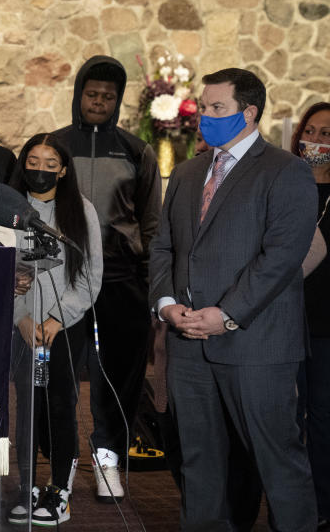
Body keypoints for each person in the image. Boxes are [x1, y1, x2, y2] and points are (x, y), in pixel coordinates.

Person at [150, 68, 318, 530]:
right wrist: (166, 304)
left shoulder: (287, 171)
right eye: (204, 107)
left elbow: (282, 257)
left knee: (277, 461)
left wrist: (226, 315)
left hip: (256, 345)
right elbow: (164, 245)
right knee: (199, 466)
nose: (205, 116)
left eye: (217, 108)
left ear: (249, 112)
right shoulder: (186, 173)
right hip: (188, 343)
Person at [52, 56, 161, 501]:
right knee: (57, 378)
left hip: (120, 282)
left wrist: (154, 286)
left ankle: (108, 460)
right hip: (64, 279)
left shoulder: (136, 151)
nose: (98, 101)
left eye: (108, 96)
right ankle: (60, 465)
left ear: (117, 101)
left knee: (115, 380)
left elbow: (152, 225)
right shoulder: (54, 146)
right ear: (79, 95)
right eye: (91, 93)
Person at [5, 133, 102, 525]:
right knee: (24, 411)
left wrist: (56, 321)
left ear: (63, 170)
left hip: (64, 327)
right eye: (32, 160)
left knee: (61, 405)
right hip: (20, 327)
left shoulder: (81, 209)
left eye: (49, 163)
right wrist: (21, 318)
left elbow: (91, 273)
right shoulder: (5, 207)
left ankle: (60, 491)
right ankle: (27, 486)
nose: (40, 170)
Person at [292, 101, 330, 527]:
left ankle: (321, 508)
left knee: (322, 418)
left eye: (326, 135)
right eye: (312, 131)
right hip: (283, 318)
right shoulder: (285, 181)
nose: (316, 141)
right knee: (285, 417)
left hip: (325, 323)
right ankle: (292, 504)